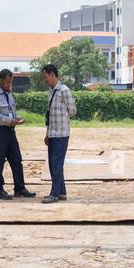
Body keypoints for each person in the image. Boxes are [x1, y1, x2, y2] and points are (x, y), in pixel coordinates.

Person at [0, 69, 35, 200]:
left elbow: (11, 111)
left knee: (17, 160)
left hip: (11, 132)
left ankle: (20, 188)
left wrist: (17, 119)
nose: (9, 84)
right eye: (7, 82)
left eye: (11, 82)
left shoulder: (9, 93)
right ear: (0, 80)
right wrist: (8, 121)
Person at [40, 63, 77, 203]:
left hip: (62, 134)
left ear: (52, 74)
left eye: (45, 77)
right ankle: (61, 192)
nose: (45, 80)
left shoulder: (64, 90)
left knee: (56, 164)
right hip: (52, 134)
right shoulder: (50, 92)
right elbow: (49, 115)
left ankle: (54, 194)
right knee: (54, 164)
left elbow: (73, 111)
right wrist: (47, 134)